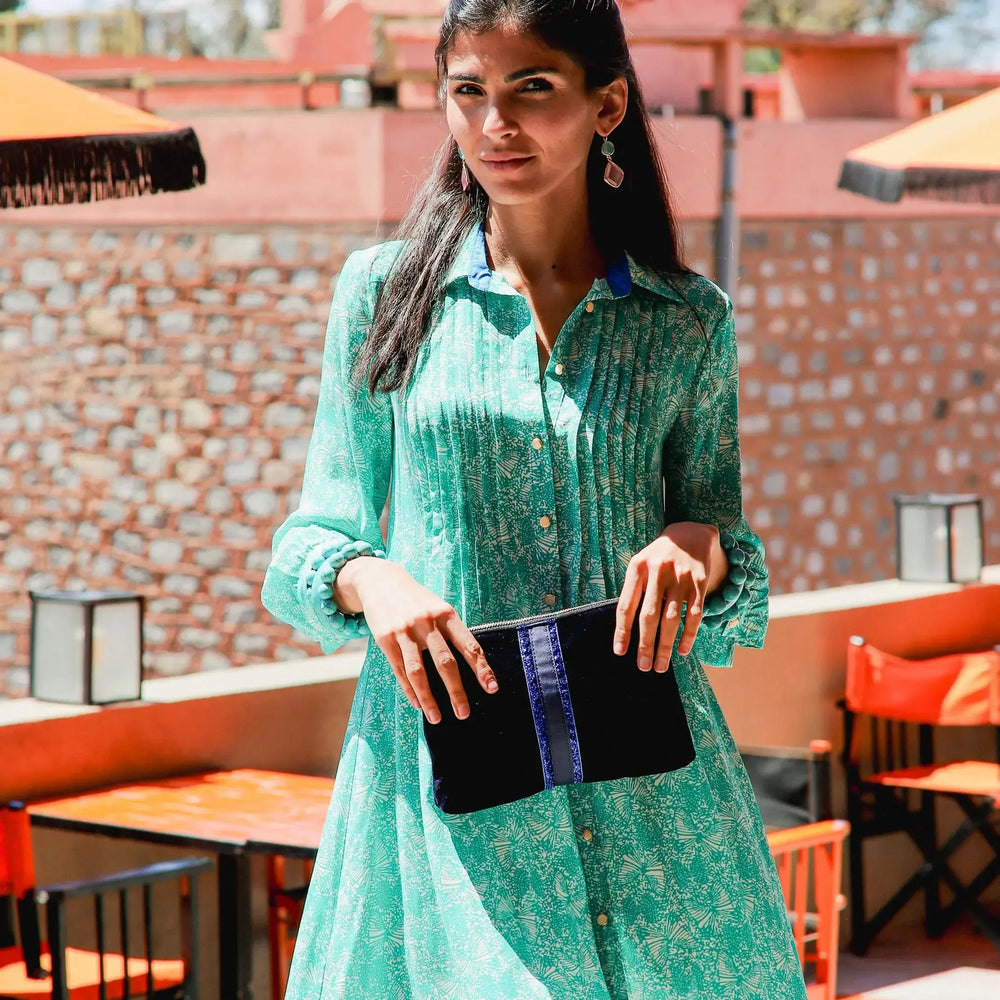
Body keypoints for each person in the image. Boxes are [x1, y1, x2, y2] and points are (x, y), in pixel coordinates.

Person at [261, 0, 808, 996]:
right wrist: (374, 578)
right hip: (448, 788)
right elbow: (312, 537)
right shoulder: (384, 297)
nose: (494, 125)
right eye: (467, 91)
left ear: (606, 105)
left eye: (531, 89)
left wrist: (695, 542)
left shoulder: (686, 321)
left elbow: (721, 537)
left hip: (654, 797)